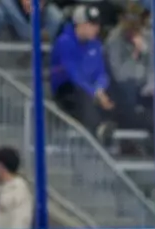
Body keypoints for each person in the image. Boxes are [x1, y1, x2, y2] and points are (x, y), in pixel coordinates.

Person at [52, 5, 113, 135]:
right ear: (79, 25)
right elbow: (74, 75)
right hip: (67, 90)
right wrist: (94, 92)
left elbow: (101, 71)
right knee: (80, 93)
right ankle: (98, 128)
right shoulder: (65, 42)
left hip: (92, 89)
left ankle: (118, 127)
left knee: (116, 89)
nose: (96, 29)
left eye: (96, 25)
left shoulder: (95, 44)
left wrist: (100, 88)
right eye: (91, 25)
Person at [105, 8, 155, 131]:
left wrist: (146, 52)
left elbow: (154, 68)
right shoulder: (114, 40)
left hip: (144, 86)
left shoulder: (147, 37)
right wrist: (135, 53)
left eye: (138, 23)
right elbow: (120, 75)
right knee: (128, 87)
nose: (135, 29)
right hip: (122, 90)